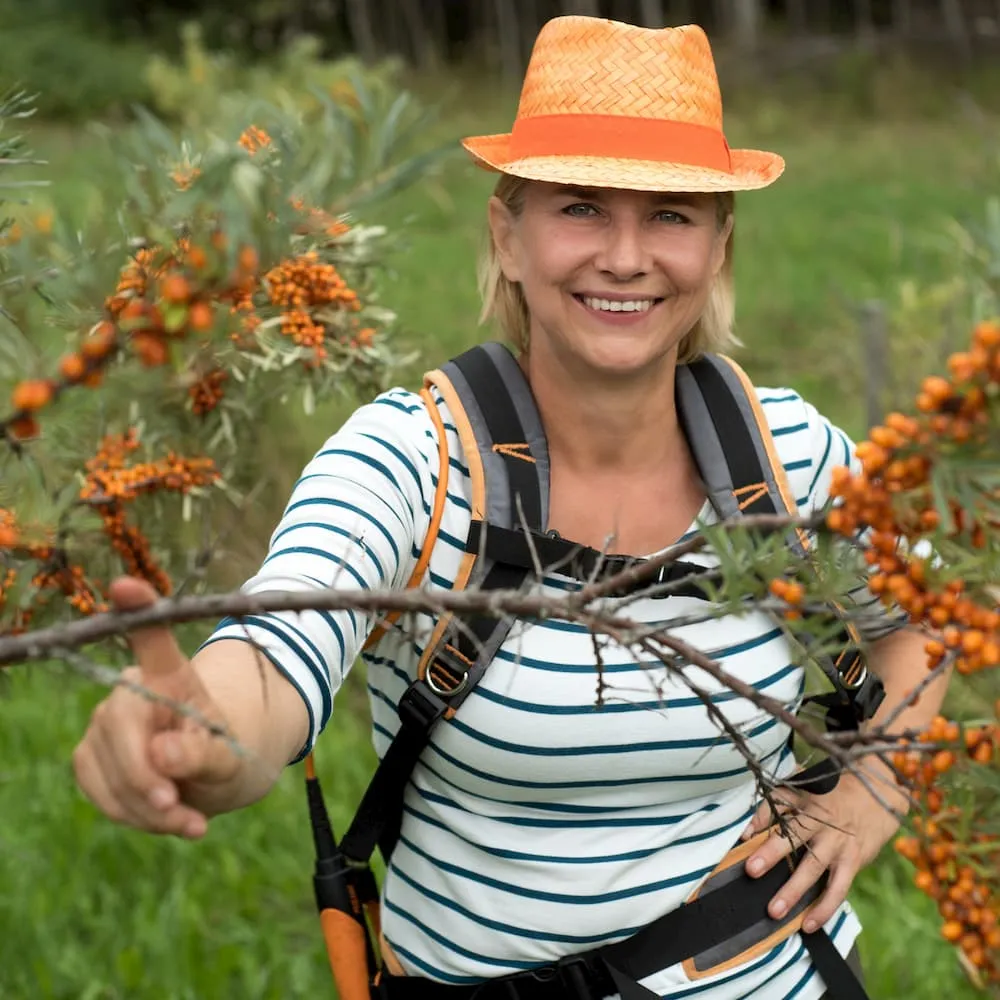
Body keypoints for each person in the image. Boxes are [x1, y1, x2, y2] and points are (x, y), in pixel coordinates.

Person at [72, 15, 948, 1000]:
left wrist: (874, 790)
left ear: (717, 244)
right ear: (508, 233)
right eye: (579, 207)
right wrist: (201, 733)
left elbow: (918, 622)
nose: (626, 256)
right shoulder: (414, 462)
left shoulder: (782, 456)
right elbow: (277, 658)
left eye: (671, 215)